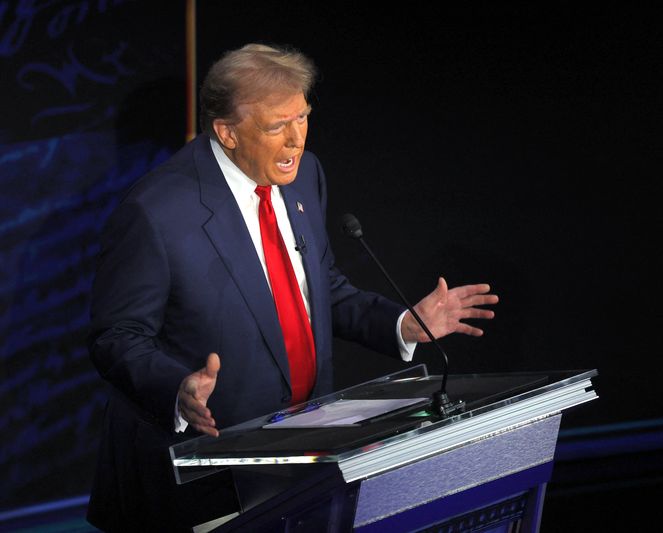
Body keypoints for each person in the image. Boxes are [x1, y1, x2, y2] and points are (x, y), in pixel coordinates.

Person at [86, 43, 498, 532]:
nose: (295, 140)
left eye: (302, 118)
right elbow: (117, 335)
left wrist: (403, 323)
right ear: (227, 132)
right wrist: (177, 389)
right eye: (276, 126)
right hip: (201, 481)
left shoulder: (305, 180)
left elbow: (318, 289)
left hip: (299, 461)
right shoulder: (156, 211)